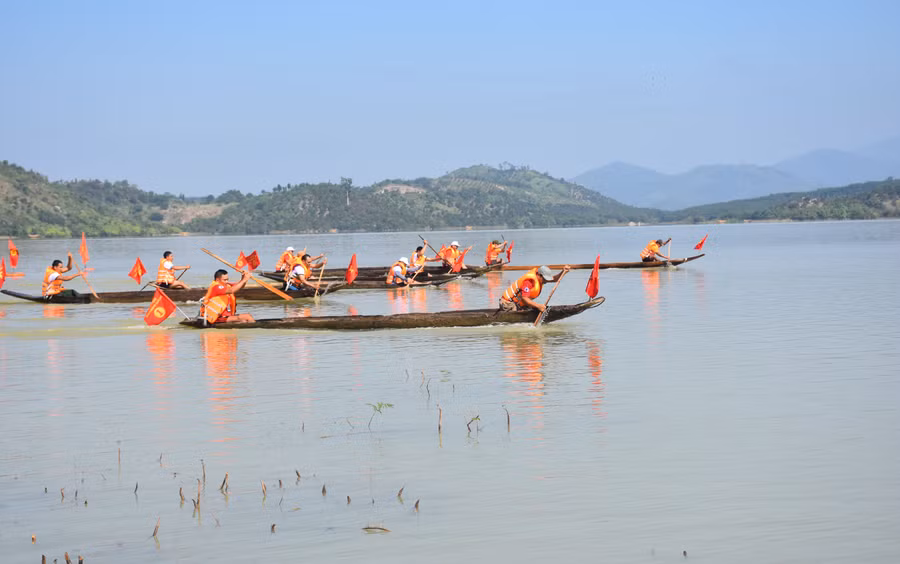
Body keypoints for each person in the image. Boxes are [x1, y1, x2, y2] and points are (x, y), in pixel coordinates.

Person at [499, 265, 570, 312]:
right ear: (539, 275)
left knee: (533, 309)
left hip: (519, 304)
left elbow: (554, 279)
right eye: (545, 279)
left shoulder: (541, 278)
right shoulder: (529, 281)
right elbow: (524, 298)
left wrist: (563, 272)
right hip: (508, 304)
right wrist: (538, 306)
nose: (546, 281)